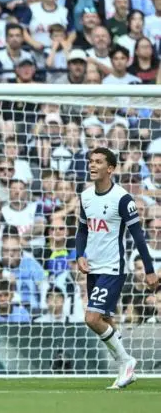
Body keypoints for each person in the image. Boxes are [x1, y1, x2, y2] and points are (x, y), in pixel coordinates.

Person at [76, 147, 158, 389]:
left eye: (98, 162)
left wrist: (150, 270)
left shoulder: (122, 199)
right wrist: (79, 254)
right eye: (91, 161)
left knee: (91, 318)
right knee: (105, 319)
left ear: (110, 169)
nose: (92, 165)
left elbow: (139, 237)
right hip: (93, 268)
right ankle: (125, 366)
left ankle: (126, 361)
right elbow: (82, 230)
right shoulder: (86, 196)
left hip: (113, 267)